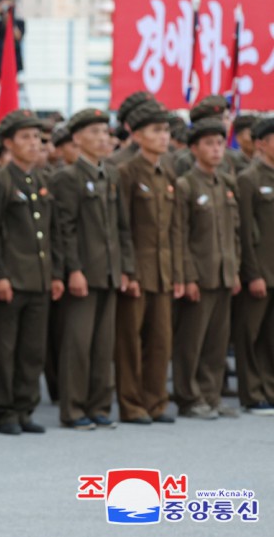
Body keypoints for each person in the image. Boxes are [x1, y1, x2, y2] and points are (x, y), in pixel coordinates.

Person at [50, 108, 135, 430]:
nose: (103, 138)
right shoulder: (66, 177)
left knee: (103, 345)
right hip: (83, 271)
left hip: (110, 270)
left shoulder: (111, 174)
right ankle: (73, 409)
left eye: (105, 132)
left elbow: (121, 226)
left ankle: (99, 406)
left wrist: (126, 268)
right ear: (77, 138)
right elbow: (64, 228)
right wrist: (73, 270)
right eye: (95, 132)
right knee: (78, 344)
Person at [0, 109, 64, 435]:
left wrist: (55, 274)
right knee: (4, 348)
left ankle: (25, 406)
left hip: (39, 277)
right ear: (9, 143)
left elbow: (51, 231)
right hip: (10, 278)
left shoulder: (42, 180)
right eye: (26, 137)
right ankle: (4, 412)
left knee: (32, 348)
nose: (34, 144)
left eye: (38, 138)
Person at [115, 101, 183, 425]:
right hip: (138, 269)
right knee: (130, 340)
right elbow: (122, 226)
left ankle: (156, 401)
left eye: (166, 130)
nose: (164, 136)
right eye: (156, 130)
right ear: (138, 135)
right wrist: (128, 270)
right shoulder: (127, 172)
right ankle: (132, 404)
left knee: (160, 339)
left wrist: (179, 273)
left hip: (164, 269)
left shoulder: (167, 170)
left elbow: (175, 228)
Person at [173, 117, 240, 419]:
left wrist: (235, 270)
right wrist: (187, 276)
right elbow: (180, 235)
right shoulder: (186, 185)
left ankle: (211, 395)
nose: (216, 150)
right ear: (194, 149)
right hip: (199, 275)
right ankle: (189, 397)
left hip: (224, 273)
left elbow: (234, 232)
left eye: (219, 143)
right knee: (192, 342)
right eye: (209, 144)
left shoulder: (225, 183)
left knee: (216, 341)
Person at [233, 116, 274, 415]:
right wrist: (252, 273)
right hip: (259, 271)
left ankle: (268, 389)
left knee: (271, 337)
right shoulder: (249, 179)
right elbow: (245, 231)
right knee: (250, 334)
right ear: (260, 144)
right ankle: (252, 393)